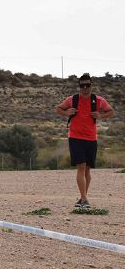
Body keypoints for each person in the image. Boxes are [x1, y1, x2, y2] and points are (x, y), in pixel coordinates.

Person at [55, 73, 114, 208]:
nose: (85, 88)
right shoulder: (73, 99)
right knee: (81, 166)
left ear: (91, 86)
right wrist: (66, 113)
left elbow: (111, 112)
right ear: (79, 87)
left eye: (88, 85)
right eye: (82, 85)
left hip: (91, 138)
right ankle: (84, 198)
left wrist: (100, 116)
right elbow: (58, 108)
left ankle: (83, 198)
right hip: (75, 137)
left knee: (87, 170)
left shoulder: (98, 100)